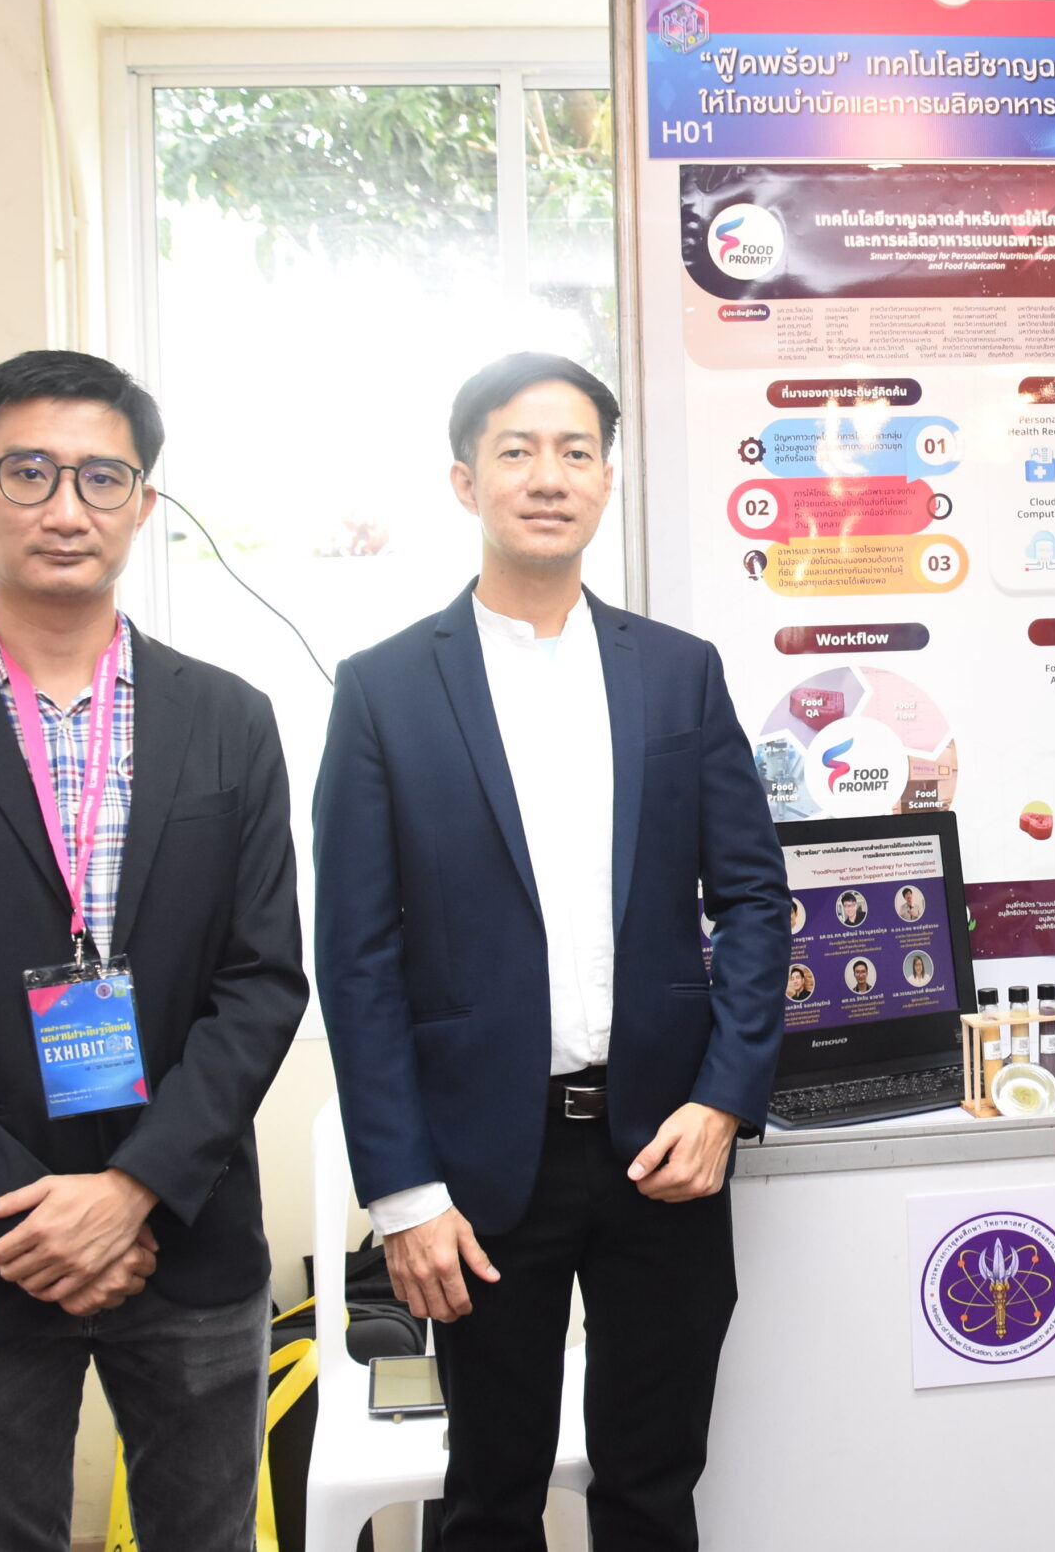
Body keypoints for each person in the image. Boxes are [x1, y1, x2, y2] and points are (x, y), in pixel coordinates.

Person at [0, 351, 309, 1551]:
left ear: (142, 501)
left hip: (187, 1235)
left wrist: (132, 1192)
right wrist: (33, 1216)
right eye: (27, 472)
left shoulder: (230, 719)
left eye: (101, 476)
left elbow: (262, 981)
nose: (66, 506)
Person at [314, 351, 789, 1552]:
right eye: (517, 451)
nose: (548, 476)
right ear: (464, 480)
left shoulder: (676, 672)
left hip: (663, 1147)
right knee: (488, 1493)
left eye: (576, 452)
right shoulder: (384, 690)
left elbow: (753, 899)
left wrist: (723, 1100)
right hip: (480, 1163)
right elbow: (356, 960)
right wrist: (403, 1193)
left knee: (652, 1485)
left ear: (605, 480)